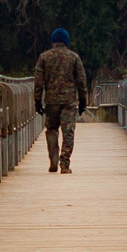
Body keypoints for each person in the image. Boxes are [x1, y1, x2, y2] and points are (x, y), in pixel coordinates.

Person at [32, 28, 89, 174]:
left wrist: (37, 101)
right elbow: (82, 81)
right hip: (69, 101)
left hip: (51, 101)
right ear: (66, 41)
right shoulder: (74, 57)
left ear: (53, 41)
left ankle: (53, 159)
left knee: (51, 129)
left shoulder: (44, 57)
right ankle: (65, 164)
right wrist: (83, 101)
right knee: (68, 132)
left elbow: (38, 81)